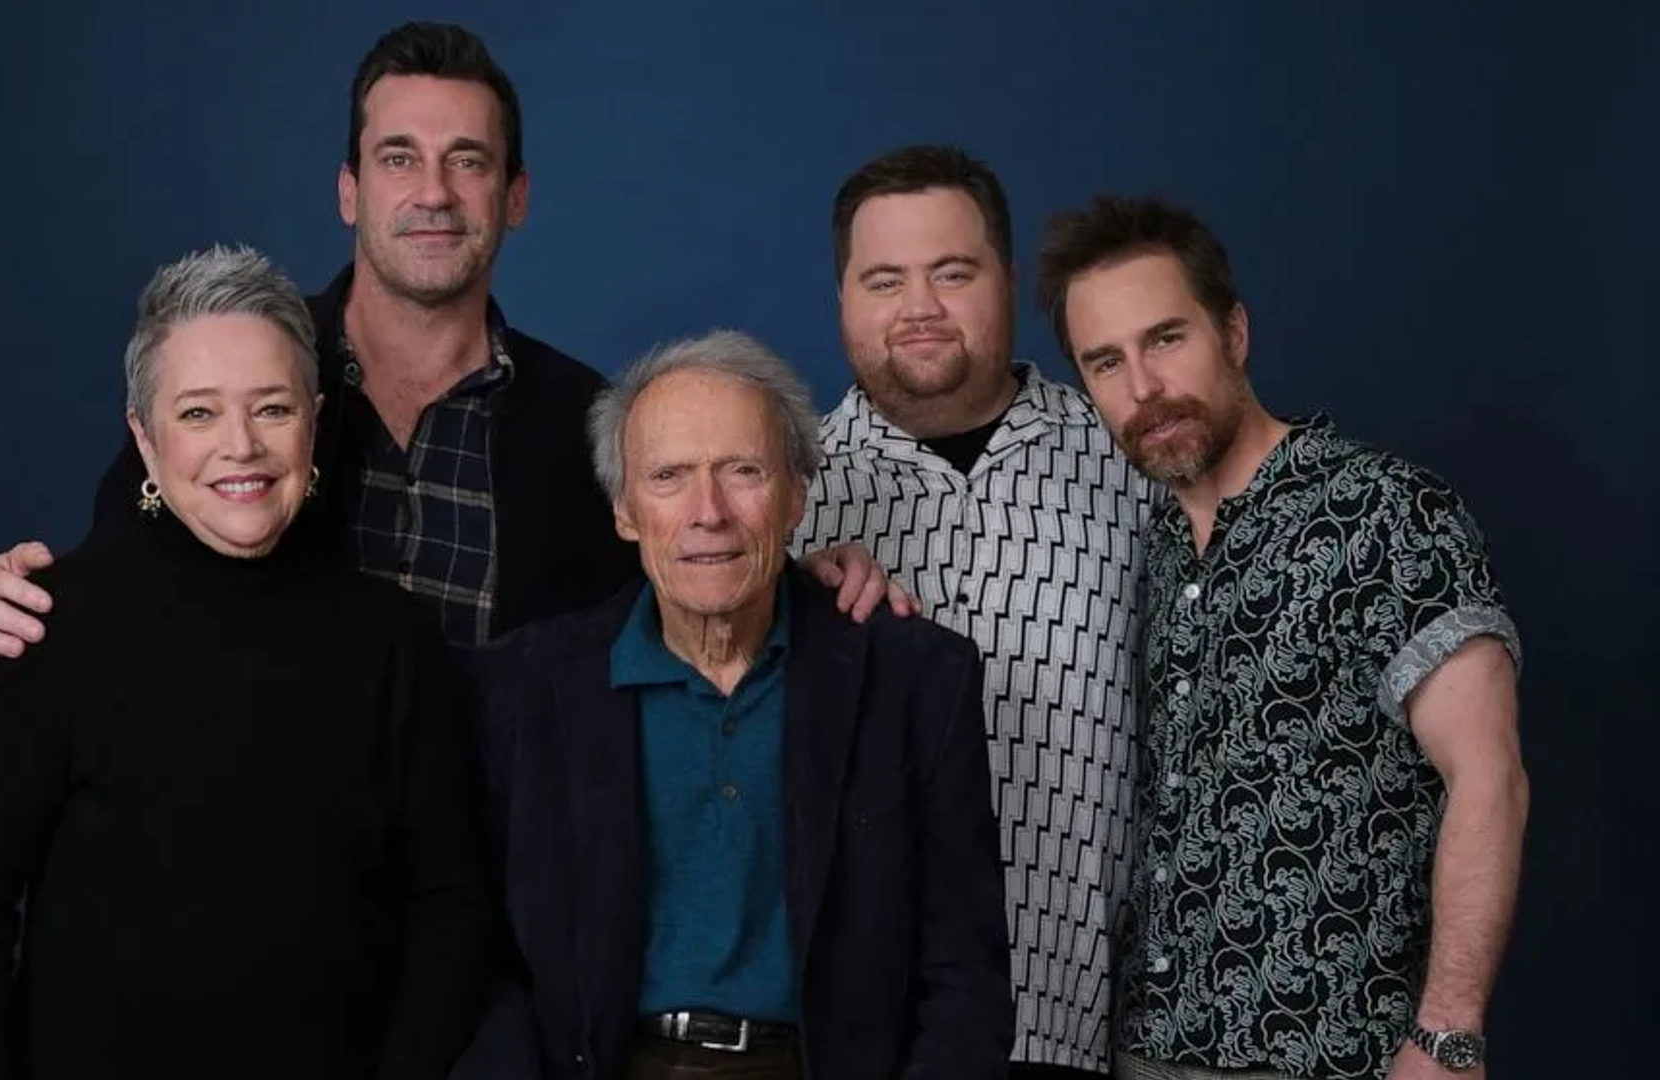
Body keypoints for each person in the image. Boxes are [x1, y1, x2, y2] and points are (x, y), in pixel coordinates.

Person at [0, 21, 900, 669]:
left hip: (498, 912)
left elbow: (686, 601)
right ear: (350, 191)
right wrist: (11, 607)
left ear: (515, 198)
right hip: (263, 886)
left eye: (468, 162)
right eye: (399, 158)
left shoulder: (588, 420)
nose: (433, 193)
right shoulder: (239, 392)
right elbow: (120, 584)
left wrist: (803, 583)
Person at [0, 244, 493, 1078]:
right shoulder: (45, 624)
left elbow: (451, 906)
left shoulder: (393, 641)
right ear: (143, 439)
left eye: (273, 409)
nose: (241, 446)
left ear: (315, 419)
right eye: (198, 414)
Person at [1035, 194, 1529, 1080]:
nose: (1143, 388)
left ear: (1234, 332)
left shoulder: (1383, 512)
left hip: (1336, 1057)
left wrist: (1449, 1037)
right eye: (1105, 362)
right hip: (1147, 1051)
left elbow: (1488, 775)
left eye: (1166, 339)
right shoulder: (1147, 550)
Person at [456, 330, 1014, 1080]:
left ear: (795, 495)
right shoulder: (521, 689)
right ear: (624, 510)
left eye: (743, 471)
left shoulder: (916, 679)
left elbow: (964, 976)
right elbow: (477, 959)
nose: (707, 511)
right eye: (669, 477)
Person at [794, 145, 1149, 1080]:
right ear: (841, 298)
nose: (920, 308)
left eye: (953, 273)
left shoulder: (1129, 461)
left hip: (1082, 1024)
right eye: (884, 279)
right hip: (861, 1043)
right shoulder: (781, 506)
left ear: (1011, 281)